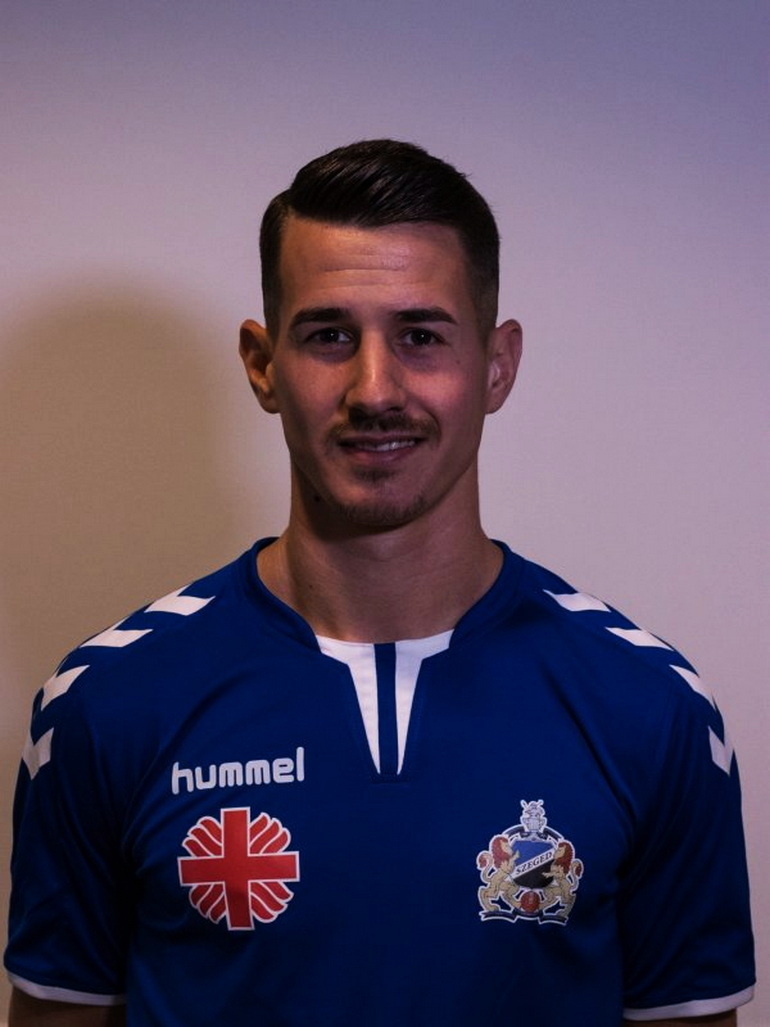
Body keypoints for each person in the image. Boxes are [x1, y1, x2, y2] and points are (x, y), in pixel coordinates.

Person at [5, 139, 755, 1025]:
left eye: (421, 336)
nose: (374, 389)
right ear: (262, 364)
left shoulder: (652, 710)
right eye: (329, 335)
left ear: (498, 364)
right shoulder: (106, 705)